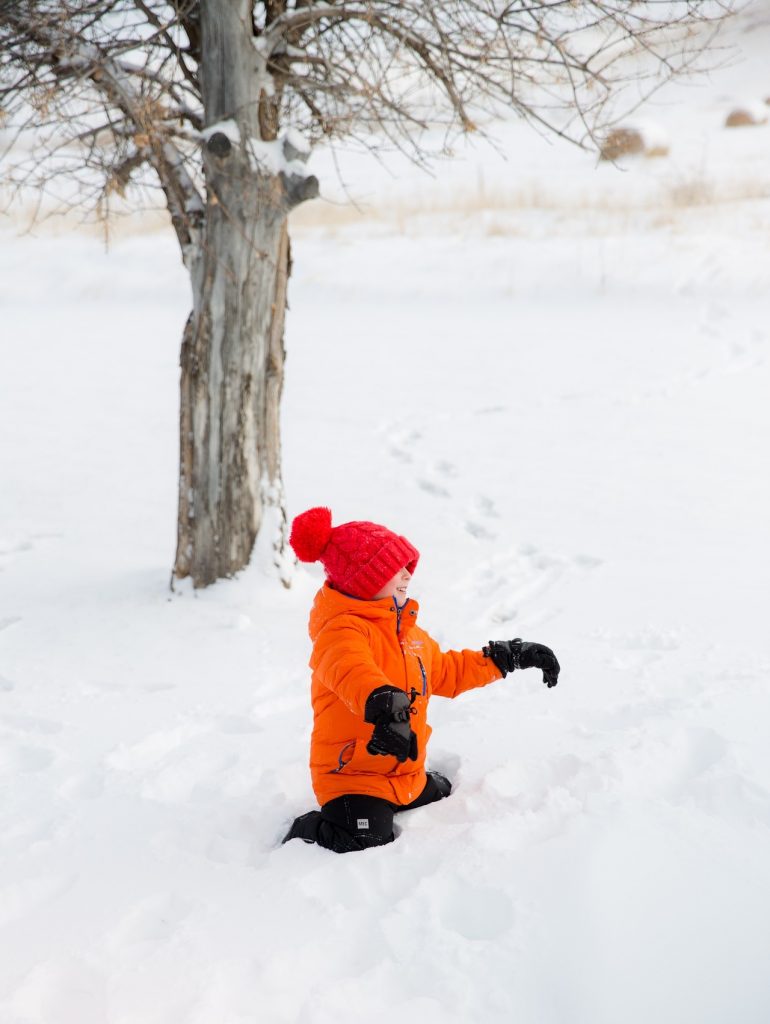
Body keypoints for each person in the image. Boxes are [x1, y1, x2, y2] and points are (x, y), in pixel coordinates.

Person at [282, 506, 560, 853]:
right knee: (367, 839)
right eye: (393, 569)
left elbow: (448, 671)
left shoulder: (409, 635)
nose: (406, 575)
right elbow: (352, 672)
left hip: (405, 774)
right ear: (362, 581)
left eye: (406, 567)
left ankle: (410, 787)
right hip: (354, 778)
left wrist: (507, 657)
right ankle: (309, 827)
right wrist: (383, 703)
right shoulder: (339, 632)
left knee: (443, 795)